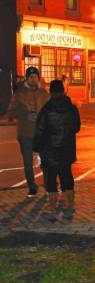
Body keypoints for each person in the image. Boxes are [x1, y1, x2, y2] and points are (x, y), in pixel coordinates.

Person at [33, 80, 80, 213]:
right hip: (67, 148)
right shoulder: (72, 108)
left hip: (49, 150)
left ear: (51, 92)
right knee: (66, 174)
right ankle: (70, 202)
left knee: (51, 176)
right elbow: (76, 127)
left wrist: (36, 148)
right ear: (63, 91)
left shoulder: (46, 109)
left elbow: (40, 130)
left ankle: (52, 204)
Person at [7, 66, 49, 198]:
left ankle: (49, 186)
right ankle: (32, 187)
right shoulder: (19, 93)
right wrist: (25, 115)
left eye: (35, 76)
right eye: (30, 77)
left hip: (41, 134)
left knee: (46, 161)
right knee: (27, 162)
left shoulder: (44, 93)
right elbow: (11, 111)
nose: (33, 79)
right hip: (25, 134)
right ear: (27, 78)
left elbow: (50, 110)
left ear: (38, 78)